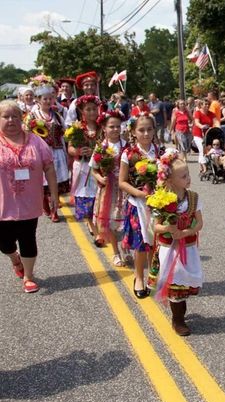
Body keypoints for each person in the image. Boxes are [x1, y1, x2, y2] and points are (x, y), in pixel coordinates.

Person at [0, 100, 58, 293]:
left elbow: (49, 166)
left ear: (22, 118)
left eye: (15, 116)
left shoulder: (35, 141)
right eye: (5, 116)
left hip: (29, 202)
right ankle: (15, 259)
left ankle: (28, 276)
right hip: (2, 203)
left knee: (27, 238)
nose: (11, 120)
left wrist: (54, 194)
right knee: (4, 243)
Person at [148, 149, 203, 336]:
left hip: (187, 248)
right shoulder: (161, 199)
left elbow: (199, 223)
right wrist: (168, 229)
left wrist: (187, 231)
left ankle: (180, 316)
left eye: (188, 175)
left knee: (184, 284)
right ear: (170, 180)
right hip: (168, 249)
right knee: (175, 285)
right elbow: (155, 227)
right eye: (183, 176)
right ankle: (178, 319)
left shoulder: (193, 198)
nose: (188, 179)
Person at [119, 113, 160, 299]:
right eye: (141, 130)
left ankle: (154, 274)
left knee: (156, 242)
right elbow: (122, 181)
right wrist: (139, 193)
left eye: (149, 129)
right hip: (138, 204)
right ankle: (139, 277)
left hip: (158, 204)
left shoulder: (159, 151)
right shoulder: (129, 154)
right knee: (141, 244)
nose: (145, 133)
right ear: (134, 132)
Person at [27, 77, 69, 223]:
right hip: (39, 152)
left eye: (50, 98)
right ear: (38, 100)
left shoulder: (57, 115)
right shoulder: (33, 115)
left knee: (54, 182)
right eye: (44, 99)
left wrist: (65, 151)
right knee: (41, 182)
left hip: (56, 152)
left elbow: (65, 132)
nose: (47, 101)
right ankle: (45, 205)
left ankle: (54, 210)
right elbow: (27, 133)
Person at [91, 110, 128, 267]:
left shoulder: (126, 146)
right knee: (111, 220)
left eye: (118, 126)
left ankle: (126, 248)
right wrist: (99, 177)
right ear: (104, 128)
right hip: (108, 190)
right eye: (111, 126)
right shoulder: (101, 147)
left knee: (127, 220)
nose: (115, 129)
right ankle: (115, 252)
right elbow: (93, 168)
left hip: (125, 188)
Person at [69, 95, 101, 245]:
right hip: (82, 169)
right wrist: (79, 151)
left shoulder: (103, 127)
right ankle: (96, 232)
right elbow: (70, 148)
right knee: (86, 200)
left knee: (99, 200)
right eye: (88, 109)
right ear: (82, 111)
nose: (92, 112)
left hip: (99, 168)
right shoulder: (76, 129)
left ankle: (96, 225)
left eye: (94, 108)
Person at [192, 100, 217, 174]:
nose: (207, 105)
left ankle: (209, 165)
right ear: (201, 105)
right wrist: (202, 126)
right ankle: (204, 168)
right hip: (199, 134)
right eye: (205, 104)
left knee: (210, 150)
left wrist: (217, 127)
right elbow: (196, 122)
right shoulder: (198, 113)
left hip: (208, 134)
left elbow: (216, 122)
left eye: (208, 104)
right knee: (202, 149)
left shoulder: (211, 114)